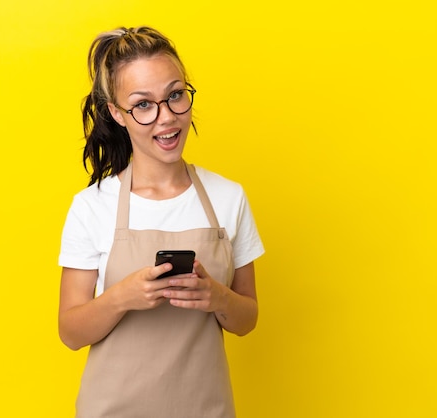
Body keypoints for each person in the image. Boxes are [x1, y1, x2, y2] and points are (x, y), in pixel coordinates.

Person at [58, 26, 264, 418]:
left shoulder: (228, 197)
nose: (167, 118)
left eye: (175, 95)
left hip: (207, 409)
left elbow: (247, 319)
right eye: (143, 105)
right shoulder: (91, 207)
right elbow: (70, 332)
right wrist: (123, 296)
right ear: (117, 114)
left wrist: (217, 297)